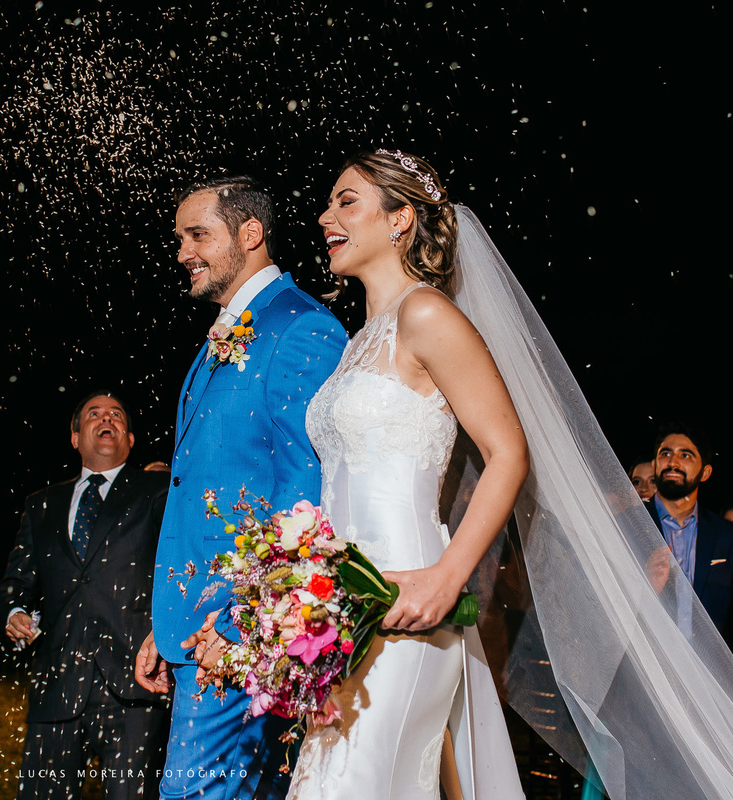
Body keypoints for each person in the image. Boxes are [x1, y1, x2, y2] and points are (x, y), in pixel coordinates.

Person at [291, 149, 733, 800]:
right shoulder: (358, 343)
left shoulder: (426, 314)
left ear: (400, 219)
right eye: (329, 203)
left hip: (409, 601)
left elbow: (507, 451)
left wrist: (447, 577)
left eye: (346, 201)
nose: (326, 216)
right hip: (341, 613)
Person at [135, 176, 348, 800]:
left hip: (237, 628)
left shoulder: (300, 327)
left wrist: (239, 620)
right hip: (197, 622)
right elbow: (202, 484)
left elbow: (305, 490)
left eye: (197, 235)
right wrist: (169, 618)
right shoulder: (230, 330)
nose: (183, 253)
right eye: (180, 239)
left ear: (250, 234)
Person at [0, 391, 170, 800]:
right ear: (75, 437)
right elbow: (13, 585)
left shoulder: (157, 490)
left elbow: (181, 564)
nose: (106, 418)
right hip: (55, 688)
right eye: (94, 414)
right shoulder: (41, 505)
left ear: (130, 439)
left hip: (135, 689)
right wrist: (14, 611)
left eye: (116, 414)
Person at [643, 423, 733, 648]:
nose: (673, 463)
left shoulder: (725, 535)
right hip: (643, 659)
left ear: (705, 472)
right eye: (665, 454)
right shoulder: (627, 522)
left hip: (709, 665)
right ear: (654, 465)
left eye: (685, 455)